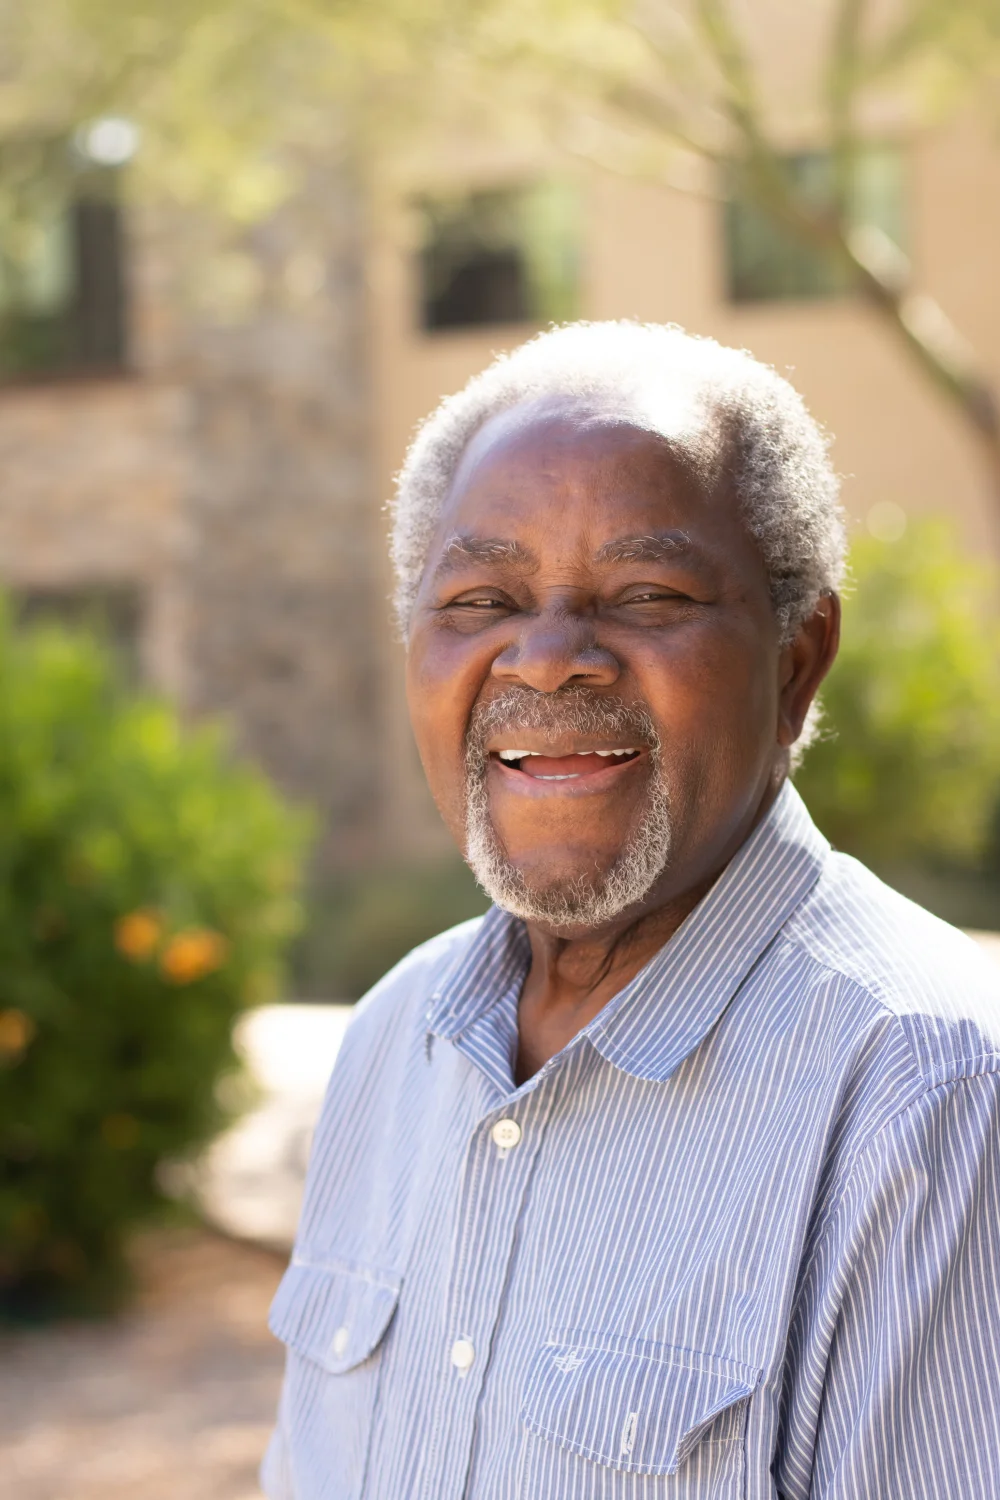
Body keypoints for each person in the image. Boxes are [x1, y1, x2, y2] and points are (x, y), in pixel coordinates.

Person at [261, 322, 1000, 1500]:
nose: (548, 658)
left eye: (647, 594)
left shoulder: (928, 1095)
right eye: (482, 598)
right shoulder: (391, 1039)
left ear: (797, 659)